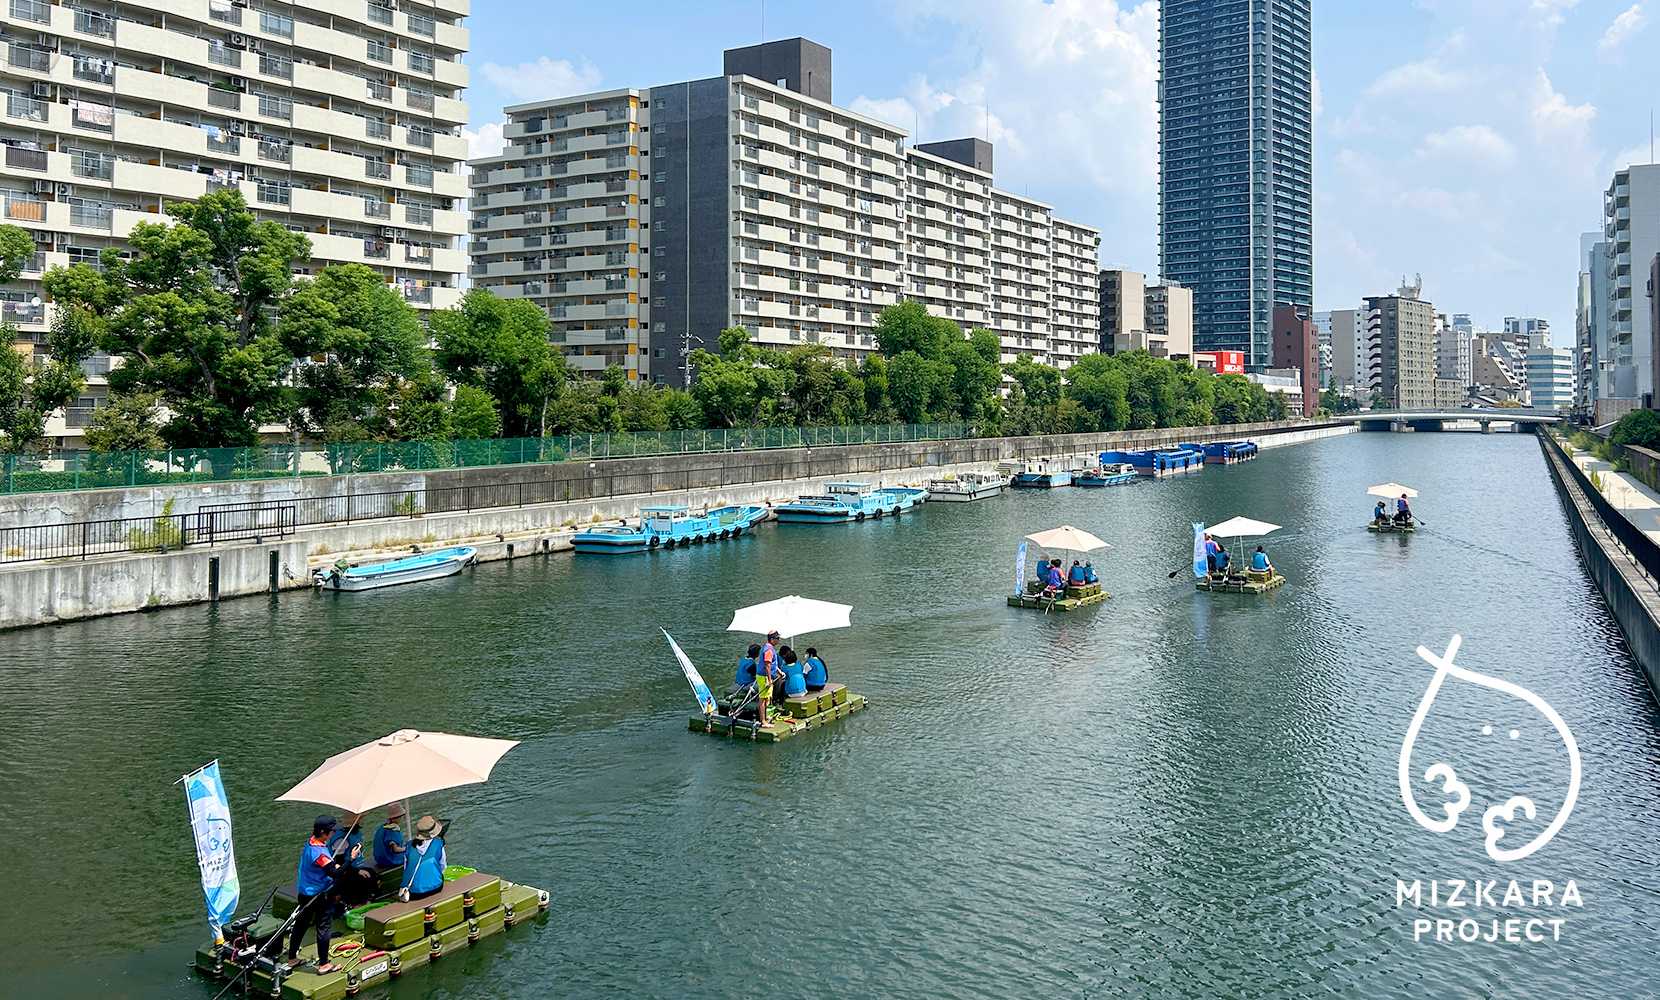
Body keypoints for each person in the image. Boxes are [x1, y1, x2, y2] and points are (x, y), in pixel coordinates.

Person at [284, 815, 349, 975]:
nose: (334, 832)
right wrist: (350, 860)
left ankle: (292, 958)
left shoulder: (311, 842)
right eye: (332, 830)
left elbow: (326, 866)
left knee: (301, 924)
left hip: (305, 892)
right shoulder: (319, 852)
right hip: (320, 895)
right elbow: (334, 873)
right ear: (323, 832)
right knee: (323, 927)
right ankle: (324, 964)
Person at [327, 811, 376, 906]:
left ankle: (367, 900)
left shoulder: (354, 832)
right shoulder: (341, 839)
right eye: (360, 818)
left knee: (372, 874)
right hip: (344, 871)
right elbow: (339, 862)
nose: (361, 820)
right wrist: (356, 871)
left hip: (354, 867)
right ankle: (357, 904)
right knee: (360, 880)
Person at [399, 815, 447, 902]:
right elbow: (443, 867)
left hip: (413, 892)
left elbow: (406, 868)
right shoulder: (438, 845)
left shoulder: (409, 846)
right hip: (435, 888)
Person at [372, 802, 408, 868]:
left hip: (379, 859)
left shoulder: (382, 827)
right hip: (390, 860)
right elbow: (396, 849)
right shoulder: (392, 830)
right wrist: (407, 848)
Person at [757, 631, 780, 723]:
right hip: (764, 677)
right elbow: (767, 665)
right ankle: (763, 721)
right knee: (762, 698)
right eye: (777, 639)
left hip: (768, 676)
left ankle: (766, 716)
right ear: (771, 639)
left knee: (767, 697)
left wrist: (779, 671)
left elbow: (773, 663)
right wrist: (769, 680)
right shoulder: (769, 650)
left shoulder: (771, 648)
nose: (779, 640)